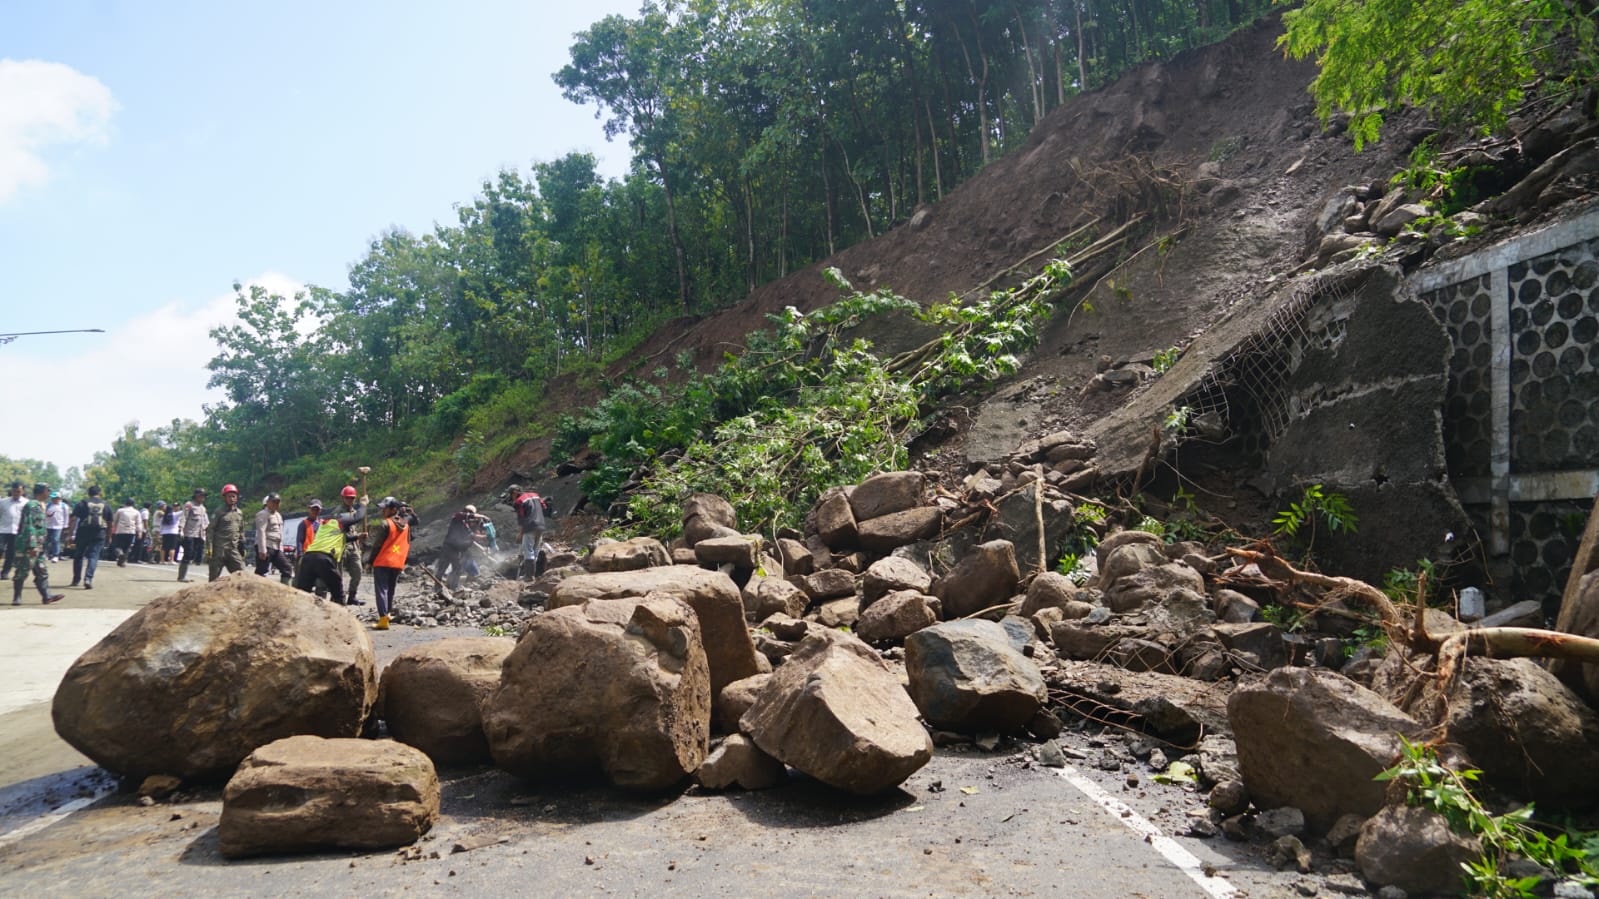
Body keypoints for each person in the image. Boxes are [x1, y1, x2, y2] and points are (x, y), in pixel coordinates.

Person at [364, 496, 411, 630]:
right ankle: (388, 615)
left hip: (383, 561)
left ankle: (383, 619)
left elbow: (377, 545)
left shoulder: (385, 524)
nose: (382, 511)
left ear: (393, 509)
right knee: (390, 589)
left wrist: (370, 562)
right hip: (397, 562)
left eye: (385, 508)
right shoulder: (406, 525)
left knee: (382, 590)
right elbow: (407, 543)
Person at [12, 483, 63, 605]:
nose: (49, 493)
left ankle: (46, 596)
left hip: (39, 545)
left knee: (41, 570)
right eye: (47, 491)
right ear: (42, 491)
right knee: (22, 570)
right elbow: (29, 525)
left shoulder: (41, 505)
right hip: (29, 545)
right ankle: (17, 597)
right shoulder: (32, 505)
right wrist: (32, 545)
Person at [293, 499, 349, 604]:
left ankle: (320, 604)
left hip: (320, 556)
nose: (315, 511)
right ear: (309, 509)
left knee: (321, 584)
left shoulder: (323, 523)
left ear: (320, 510)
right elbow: (299, 540)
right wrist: (300, 555)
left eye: (317, 509)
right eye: (313, 509)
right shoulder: (304, 524)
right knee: (302, 585)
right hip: (306, 556)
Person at [68, 485, 112, 589]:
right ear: (100, 493)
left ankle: (76, 579)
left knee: (79, 555)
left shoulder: (82, 503)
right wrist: (109, 536)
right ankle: (88, 578)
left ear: (89, 493)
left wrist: (70, 534)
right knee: (93, 556)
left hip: (83, 532)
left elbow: (73, 519)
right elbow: (110, 523)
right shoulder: (106, 505)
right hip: (99, 533)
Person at [502, 484, 547, 579]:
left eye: (511, 494)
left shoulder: (519, 501)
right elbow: (544, 506)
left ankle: (529, 576)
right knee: (535, 551)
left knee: (528, 551)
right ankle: (532, 574)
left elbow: (521, 518)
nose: (511, 497)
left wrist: (520, 534)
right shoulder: (535, 495)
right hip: (541, 526)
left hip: (529, 527)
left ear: (515, 492)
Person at [434, 504, 482, 592]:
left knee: (455, 568)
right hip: (450, 547)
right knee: (445, 567)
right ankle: (441, 587)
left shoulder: (465, 524)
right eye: (469, 512)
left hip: (454, 549)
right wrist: (481, 516)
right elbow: (460, 515)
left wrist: (484, 536)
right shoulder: (457, 518)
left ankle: (451, 587)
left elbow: (471, 535)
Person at [206, 484, 246, 581]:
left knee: (241, 573)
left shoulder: (239, 513)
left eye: (233, 496)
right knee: (214, 577)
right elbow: (210, 530)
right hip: (219, 550)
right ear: (224, 498)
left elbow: (241, 530)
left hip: (233, 549)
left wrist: (242, 545)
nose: (232, 499)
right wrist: (209, 547)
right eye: (229, 496)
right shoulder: (219, 512)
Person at [335, 486, 367, 603]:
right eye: (347, 498)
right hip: (341, 547)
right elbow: (342, 535)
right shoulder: (338, 513)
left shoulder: (354, 511)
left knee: (358, 571)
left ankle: (352, 596)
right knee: (338, 575)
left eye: (352, 498)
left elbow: (352, 528)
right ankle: (338, 597)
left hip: (353, 547)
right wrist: (363, 505)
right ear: (343, 498)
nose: (350, 500)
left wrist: (359, 536)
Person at [253, 493, 294, 583]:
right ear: (268, 502)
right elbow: (261, 532)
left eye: (278, 502)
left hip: (276, 547)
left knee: (287, 568)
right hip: (266, 545)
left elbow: (279, 533)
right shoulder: (263, 514)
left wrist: (281, 549)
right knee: (262, 571)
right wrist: (262, 549)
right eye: (274, 502)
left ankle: (285, 589)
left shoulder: (278, 515)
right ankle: (256, 589)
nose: (276, 504)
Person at [175, 488, 210, 582]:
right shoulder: (189, 505)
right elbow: (184, 517)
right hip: (189, 533)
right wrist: (181, 529)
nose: (203, 498)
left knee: (193, 555)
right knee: (188, 554)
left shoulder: (202, 508)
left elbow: (205, 521)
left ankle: (185, 575)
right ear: (196, 496)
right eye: (201, 496)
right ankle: (181, 576)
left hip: (199, 534)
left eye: (204, 496)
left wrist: (207, 530)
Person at [0, 481, 24, 579]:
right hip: (3, 530)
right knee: (0, 549)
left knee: (11, 553)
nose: (16, 493)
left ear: (22, 491)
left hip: (17, 531)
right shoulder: (3, 502)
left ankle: (5, 573)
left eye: (18, 491)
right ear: (11, 491)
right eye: (14, 491)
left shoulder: (26, 503)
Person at [110, 498, 141, 567]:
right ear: (133, 504)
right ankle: (123, 562)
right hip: (131, 532)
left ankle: (120, 554)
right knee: (127, 547)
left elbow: (114, 521)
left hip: (120, 531)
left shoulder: (120, 510)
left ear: (125, 503)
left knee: (117, 546)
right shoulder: (136, 512)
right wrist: (139, 532)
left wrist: (112, 529)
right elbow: (138, 523)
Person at [44, 491, 68, 562]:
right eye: (52, 498)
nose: (53, 499)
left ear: (59, 498)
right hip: (48, 525)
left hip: (58, 526)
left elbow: (66, 516)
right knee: (46, 540)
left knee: (55, 539)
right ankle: (45, 554)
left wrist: (65, 525)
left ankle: (55, 555)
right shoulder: (48, 505)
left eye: (54, 498)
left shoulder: (64, 506)